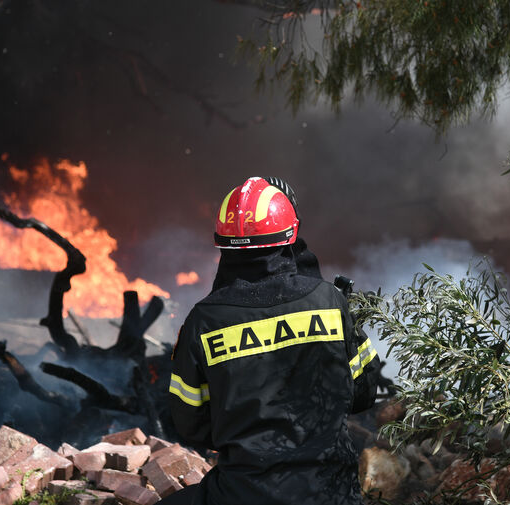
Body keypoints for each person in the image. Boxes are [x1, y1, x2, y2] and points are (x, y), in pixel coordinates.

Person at [163, 176, 380, 505]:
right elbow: (364, 393)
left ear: (222, 243)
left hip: (243, 493)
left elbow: (189, 424)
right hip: (332, 493)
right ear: (291, 236)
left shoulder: (204, 321)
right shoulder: (329, 300)